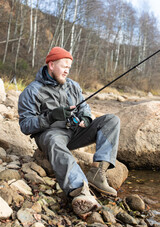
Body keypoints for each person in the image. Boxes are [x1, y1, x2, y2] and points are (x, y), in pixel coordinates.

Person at [18, 47, 120, 216]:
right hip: (50, 135)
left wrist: (86, 118)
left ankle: (97, 174)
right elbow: (25, 125)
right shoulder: (31, 91)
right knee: (54, 140)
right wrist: (50, 117)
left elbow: (84, 108)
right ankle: (79, 190)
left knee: (111, 120)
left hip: (74, 132)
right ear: (51, 65)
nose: (67, 70)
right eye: (64, 66)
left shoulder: (73, 86)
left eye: (69, 68)